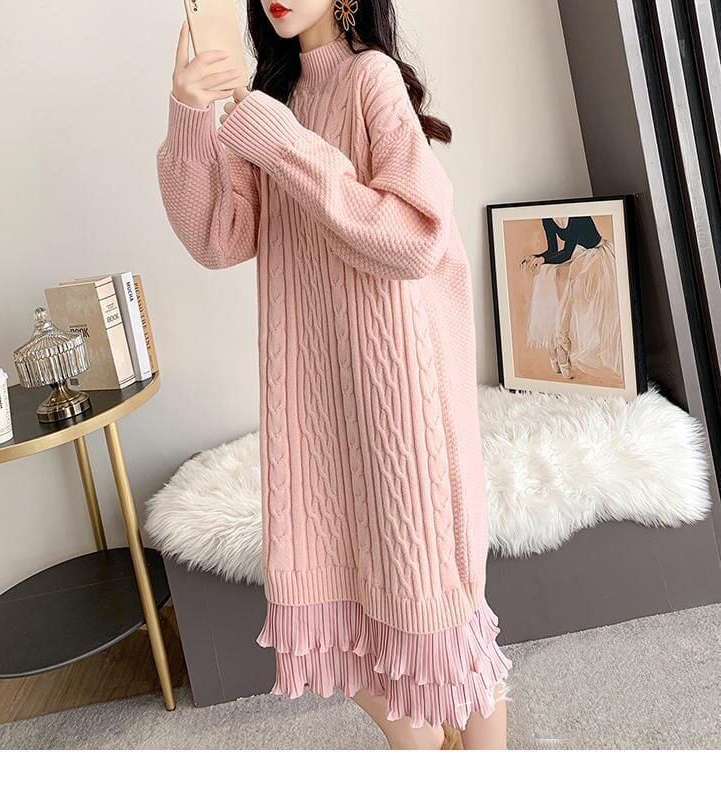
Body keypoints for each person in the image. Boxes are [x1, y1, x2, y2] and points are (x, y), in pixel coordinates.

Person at [156, 0, 511, 750]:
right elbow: (220, 238)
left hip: (399, 389)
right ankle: (423, 744)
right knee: (344, 608)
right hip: (318, 396)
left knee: (442, 616)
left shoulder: (368, 78)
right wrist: (191, 115)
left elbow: (413, 235)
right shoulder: (274, 99)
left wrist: (281, 140)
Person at [521, 216, 623, 380]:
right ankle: (553, 342)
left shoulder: (577, 217)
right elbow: (552, 250)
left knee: (570, 285)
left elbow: (567, 253)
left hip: (596, 255)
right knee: (545, 273)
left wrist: (543, 259)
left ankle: (562, 343)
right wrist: (536, 257)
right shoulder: (548, 219)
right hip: (578, 253)